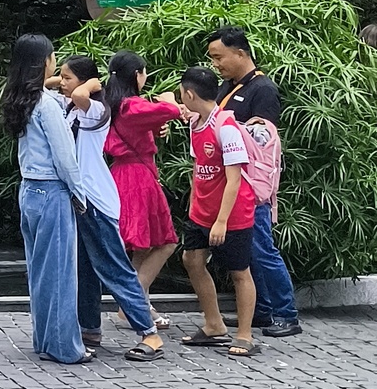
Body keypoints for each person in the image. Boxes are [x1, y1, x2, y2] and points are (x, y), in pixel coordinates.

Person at [53, 56, 164, 360]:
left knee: (114, 267)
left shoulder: (97, 110)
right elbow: (43, 87)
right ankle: (89, 328)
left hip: (96, 201)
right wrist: (67, 82)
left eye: (67, 77)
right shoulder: (70, 109)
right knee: (85, 269)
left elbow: (79, 93)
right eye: (60, 76)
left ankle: (149, 334)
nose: (62, 83)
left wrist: (91, 83)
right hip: (78, 199)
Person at [208, 23, 301, 338]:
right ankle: (260, 311)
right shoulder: (229, 85)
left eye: (219, 57)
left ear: (240, 52)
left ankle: (286, 313)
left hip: (252, 185)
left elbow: (264, 141)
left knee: (262, 248)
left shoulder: (263, 89)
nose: (215, 64)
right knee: (247, 251)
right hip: (229, 180)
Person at [3, 33, 87, 365]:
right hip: (53, 191)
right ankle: (66, 347)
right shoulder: (47, 105)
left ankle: (45, 340)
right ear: (45, 62)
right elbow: (66, 158)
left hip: (29, 190)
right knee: (62, 274)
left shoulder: (18, 98)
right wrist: (80, 195)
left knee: (39, 271)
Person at [174, 64, 261, 356]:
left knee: (239, 272)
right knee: (192, 260)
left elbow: (234, 179)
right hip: (201, 209)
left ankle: (245, 334)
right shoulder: (195, 122)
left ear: (189, 94)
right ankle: (214, 324)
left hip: (232, 213)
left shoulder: (226, 127)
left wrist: (222, 221)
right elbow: (198, 166)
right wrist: (194, 203)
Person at [100, 51, 185, 317]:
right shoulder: (131, 105)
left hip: (122, 174)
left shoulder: (111, 103)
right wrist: (170, 98)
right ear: (137, 75)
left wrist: (158, 126)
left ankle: (140, 303)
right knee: (167, 242)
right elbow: (170, 109)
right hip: (138, 178)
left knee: (142, 244)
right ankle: (132, 300)